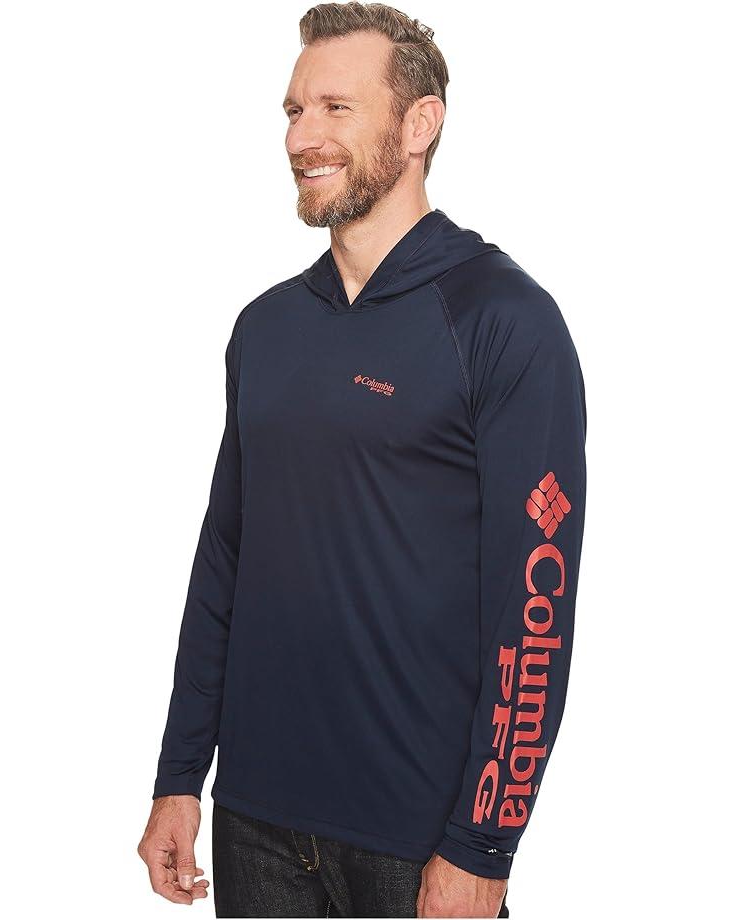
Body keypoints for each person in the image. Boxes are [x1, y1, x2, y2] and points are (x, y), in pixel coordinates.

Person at [137, 3, 587, 917]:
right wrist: (180, 775)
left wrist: (484, 840)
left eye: (336, 108)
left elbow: (534, 601)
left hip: (415, 839)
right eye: (294, 110)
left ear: (420, 125)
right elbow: (225, 557)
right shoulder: (265, 328)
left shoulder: (504, 322)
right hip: (254, 822)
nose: (302, 137)